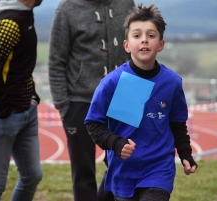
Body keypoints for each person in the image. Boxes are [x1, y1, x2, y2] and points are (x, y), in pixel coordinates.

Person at [85, 3, 198, 201]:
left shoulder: (172, 83)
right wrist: (116, 143)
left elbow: (178, 124)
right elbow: (93, 124)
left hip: (159, 168)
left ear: (160, 44)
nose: (144, 40)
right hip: (123, 170)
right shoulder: (112, 82)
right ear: (127, 45)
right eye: (137, 35)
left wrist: (186, 154)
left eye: (151, 35)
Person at [48, 0, 135, 200]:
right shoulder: (67, 8)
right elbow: (56, 60)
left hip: (123, 98)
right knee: (83, 174)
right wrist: (63, 106)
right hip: (80, 103)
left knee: (123, 164)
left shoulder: (126, 3)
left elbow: (137, 47)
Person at [0, 0, 43, 200]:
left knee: (32, 176)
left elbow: (21, 65)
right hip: (0, 114)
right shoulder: (9, 21)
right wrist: (3, 109)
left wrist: (32, 96)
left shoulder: (23, 14)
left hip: (25, 110)